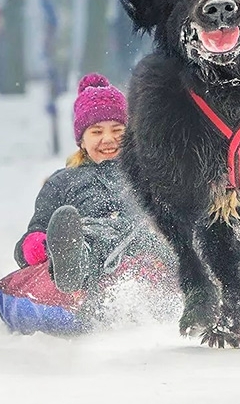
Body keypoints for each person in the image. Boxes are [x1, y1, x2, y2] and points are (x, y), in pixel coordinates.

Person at [14, 73, 170, 294]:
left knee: (160, 235)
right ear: (82, 141)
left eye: (117, 130)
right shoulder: (63, 181)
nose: (108, 139)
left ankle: (168, 287)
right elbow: (36, 231)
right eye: (96, 132)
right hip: (91, 242)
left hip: (141, 240)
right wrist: (40, 245)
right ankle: (72, 268)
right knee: (90, 239)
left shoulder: (150, 173)